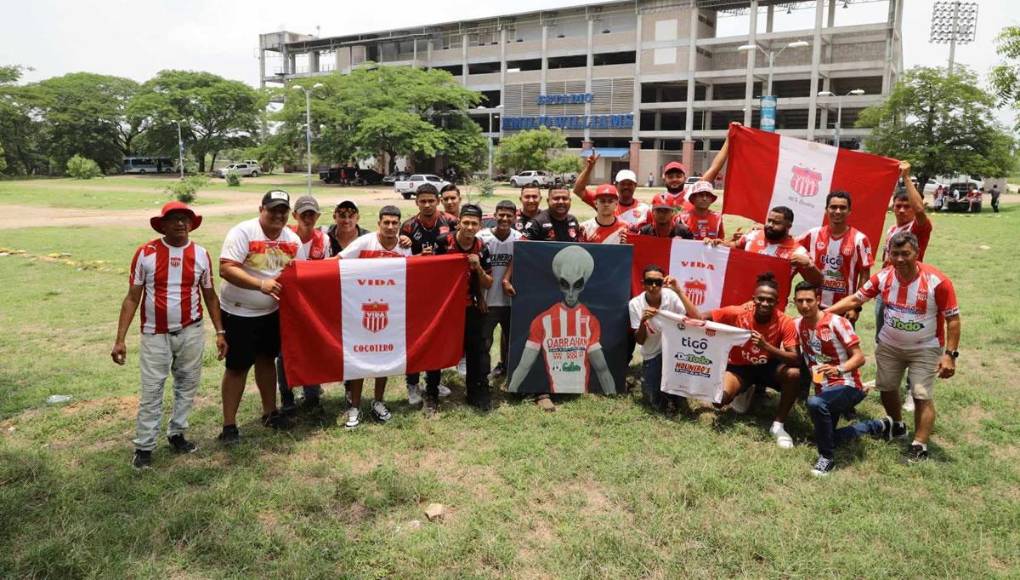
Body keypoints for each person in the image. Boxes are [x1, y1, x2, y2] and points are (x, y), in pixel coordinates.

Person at [827, 231, 961, 462]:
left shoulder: (937, 281)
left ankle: (919, 445)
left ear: (916, 253)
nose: (899, 259)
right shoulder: (884, 276)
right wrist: (824, 314)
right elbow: (856, 299)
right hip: (889, 345)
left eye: (905, 254)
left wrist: (950, 355)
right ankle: (897, 425)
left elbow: (953, 320)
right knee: (887, 387)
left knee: (920, 394)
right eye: (895, 253)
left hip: (925, 348)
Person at [113, 201, 227, 469]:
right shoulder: (146, 253)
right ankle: (144, 447)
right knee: (152, 389)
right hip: (155, 333)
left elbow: (210, 295)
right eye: (174, 219)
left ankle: (177, 433)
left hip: (191, 330)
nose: (180, 223)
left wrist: (220, 332)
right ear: (162, 225)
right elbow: (132, 298)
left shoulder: (201, 254)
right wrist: (120, 339)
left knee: (187, 384)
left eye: (185, 219)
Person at [217, 190, 304, 444]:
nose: (278, 215)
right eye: (272, 210)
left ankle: (270, 413)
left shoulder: (292, 240)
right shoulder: (243, 232)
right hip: (239, 312)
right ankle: (229, 426)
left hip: (272, 313)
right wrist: (260, 285)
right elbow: (226, 268)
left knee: (267, 360)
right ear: (261, 210)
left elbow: (298, 273)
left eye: (283, 210)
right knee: (237, 367)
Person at [792, 281, 891, 476]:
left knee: (814, 403)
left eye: (809, 300)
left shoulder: (836, 323)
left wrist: (838, 369)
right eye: (800, 301)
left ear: (818, 300)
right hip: (823, 390)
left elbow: (859, 358)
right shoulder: (796, 324)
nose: (804, 305)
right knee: (824, 436)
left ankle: (826, 458)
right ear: (794, 302)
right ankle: (878, 426)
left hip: (848, 385)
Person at [334, 205, 412, 428]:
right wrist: (305, 269)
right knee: (358, 357)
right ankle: (355, 406)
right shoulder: (365, 242)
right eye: (386, 222)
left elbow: (413, 274)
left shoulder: (404, 248)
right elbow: (338, 261)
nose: (390, 226)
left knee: (384, 357)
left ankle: (378, 401)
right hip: (359, 309)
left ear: (399, 225)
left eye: (394, 223)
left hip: (391, 312)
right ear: (379, 223)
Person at [508, 245, 617, 396]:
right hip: (555, 390)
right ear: (559, 284)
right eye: (565, 284)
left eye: (577, 285)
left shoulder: (590, 321)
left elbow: (602, 368)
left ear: (584, 284)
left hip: (581, 394)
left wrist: (612, 395)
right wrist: (512, 390)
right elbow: (524, 365)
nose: (571, 293)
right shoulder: (542, 321)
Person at [710, 273, 802, 448]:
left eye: (770, 300)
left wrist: (766, 346)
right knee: (718, 400)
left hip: (768, 366)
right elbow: (703, 317)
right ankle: (745, 390)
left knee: (794, 374)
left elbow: (796, 358)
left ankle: (778, 425)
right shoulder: (738, 312)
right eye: (761, 299)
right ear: (753, 299)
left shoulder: (785, 321)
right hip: (741, 367)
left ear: (777, 302)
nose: (765, 303)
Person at [520, 187, 582, 411]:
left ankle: (562, 382)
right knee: (541, 336)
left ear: (570, 200)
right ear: (548, 200)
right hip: (540, 290)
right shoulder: (537, 222)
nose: (561, 201)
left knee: (563, 337)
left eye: (565, 198)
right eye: (556, 198)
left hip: (565, 291)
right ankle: (540, 390)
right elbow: (523, 252)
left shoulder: (573, 221)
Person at [398, 183, 458, 405]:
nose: (427, 205)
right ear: (416, 202)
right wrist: (414, 255)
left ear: (438, 201)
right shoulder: (408, 226)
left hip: (443, 289)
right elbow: (400, 260)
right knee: (415, 338)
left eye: (431, 201)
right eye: (422, 201)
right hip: (416, 290)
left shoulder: (451, 222)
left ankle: (434, 381)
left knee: (436, 337)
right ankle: (412, 384)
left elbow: (461, 246)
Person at [435, 204, 494, 413]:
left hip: (471, 305)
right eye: (466, 222)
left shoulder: (482, 246)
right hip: (446, 307)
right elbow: (432, 273)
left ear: (480, 226)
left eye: (474, 224)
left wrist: (478, 268)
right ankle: (432, 392)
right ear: (459, 222)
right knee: (438, 348)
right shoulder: (443, 242)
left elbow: (489, 283)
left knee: (476, 350)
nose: (469, 227)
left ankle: (476, 391)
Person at [277, 195, 328, 415]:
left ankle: (312, 395)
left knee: (312, 347)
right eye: (304, 213)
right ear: (295, 215)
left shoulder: (323, 239)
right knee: (284, 351)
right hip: (285, 301)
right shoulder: (284, 235)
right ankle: (287, 396)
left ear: (318, 216)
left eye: (312, 214)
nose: (308, 217)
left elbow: (326, 271)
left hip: (312, 302)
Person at [629, 266, 701, 411]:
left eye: (658, 282)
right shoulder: (635, 304)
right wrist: (643, 321)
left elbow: (697, 318)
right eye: (649, 281)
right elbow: (640, 341)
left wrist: (679, 291)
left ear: (663, 283)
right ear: (643, 283)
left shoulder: (671, 296)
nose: (653, 286)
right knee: (656, 403)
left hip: (676, 354)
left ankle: (675, 392)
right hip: (652, 355)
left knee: (679, 403)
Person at [797, 191, 873, 323]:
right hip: (814, 307)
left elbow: (865, 275)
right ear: (826, 210)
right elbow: (789, 244)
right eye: (833, 207)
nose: (837, 211)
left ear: (849, 211)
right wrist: (763, 229)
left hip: (845, 309)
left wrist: (856, 307)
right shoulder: (813, 234)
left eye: (842, 208)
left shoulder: (860, 239)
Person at [715, 206, 823, 287]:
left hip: (772, 306)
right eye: (769, 220)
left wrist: (809, 265)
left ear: (789, 226)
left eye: (776, 223)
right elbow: (735, 246)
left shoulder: (798, 252)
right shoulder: (753, 235)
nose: (770, 225)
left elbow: (817, 282)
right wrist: (718, 244)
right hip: (741, 297)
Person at [478, 200, 522, 381]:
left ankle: (511, 375)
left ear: (515, 217)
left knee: (512, 340)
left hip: (511, 301)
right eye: (501, 215)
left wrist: (507, 279)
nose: (504, 218)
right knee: (484, 342)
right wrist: (479, 297)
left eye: (509, 215)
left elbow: (521, 261)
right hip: (488, 300)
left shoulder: (520, 239)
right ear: (495, 215)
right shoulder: (481, 237)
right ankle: (482, 378)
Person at [572, 155, 650, 227]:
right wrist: (589, 167)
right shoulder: (605, 202)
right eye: (622, 184)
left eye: (630, 184)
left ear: (635, 185)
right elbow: (578, 190)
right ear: (615, 185)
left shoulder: (644, 209)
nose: (626, 187)